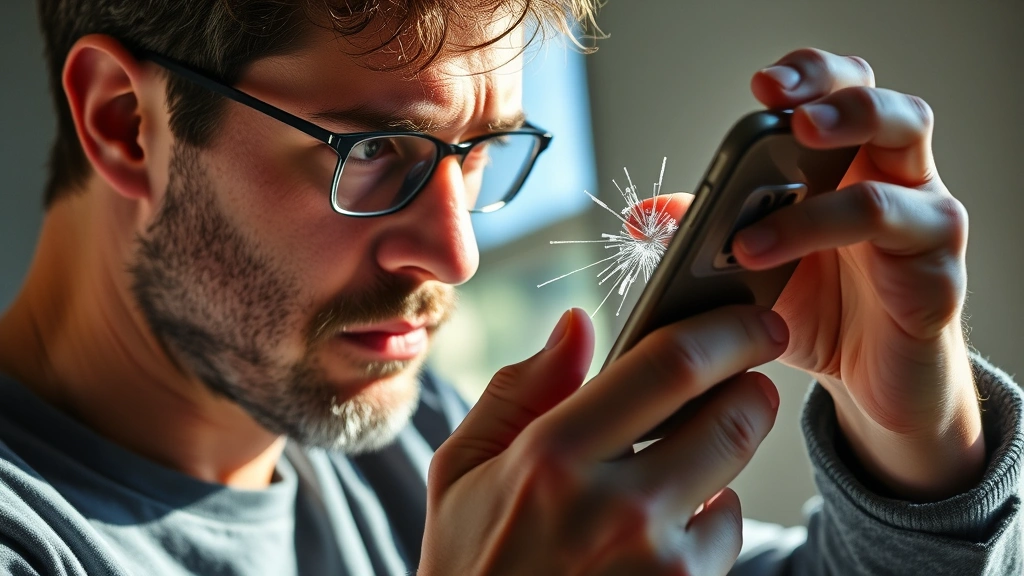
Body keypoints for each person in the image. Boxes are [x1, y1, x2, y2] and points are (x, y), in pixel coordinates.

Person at [0, 0, 1020, 574]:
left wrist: (916, 449)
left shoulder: (420, 448)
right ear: (125, 124)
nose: (455, 256)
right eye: (379, 150)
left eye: (482, 154)